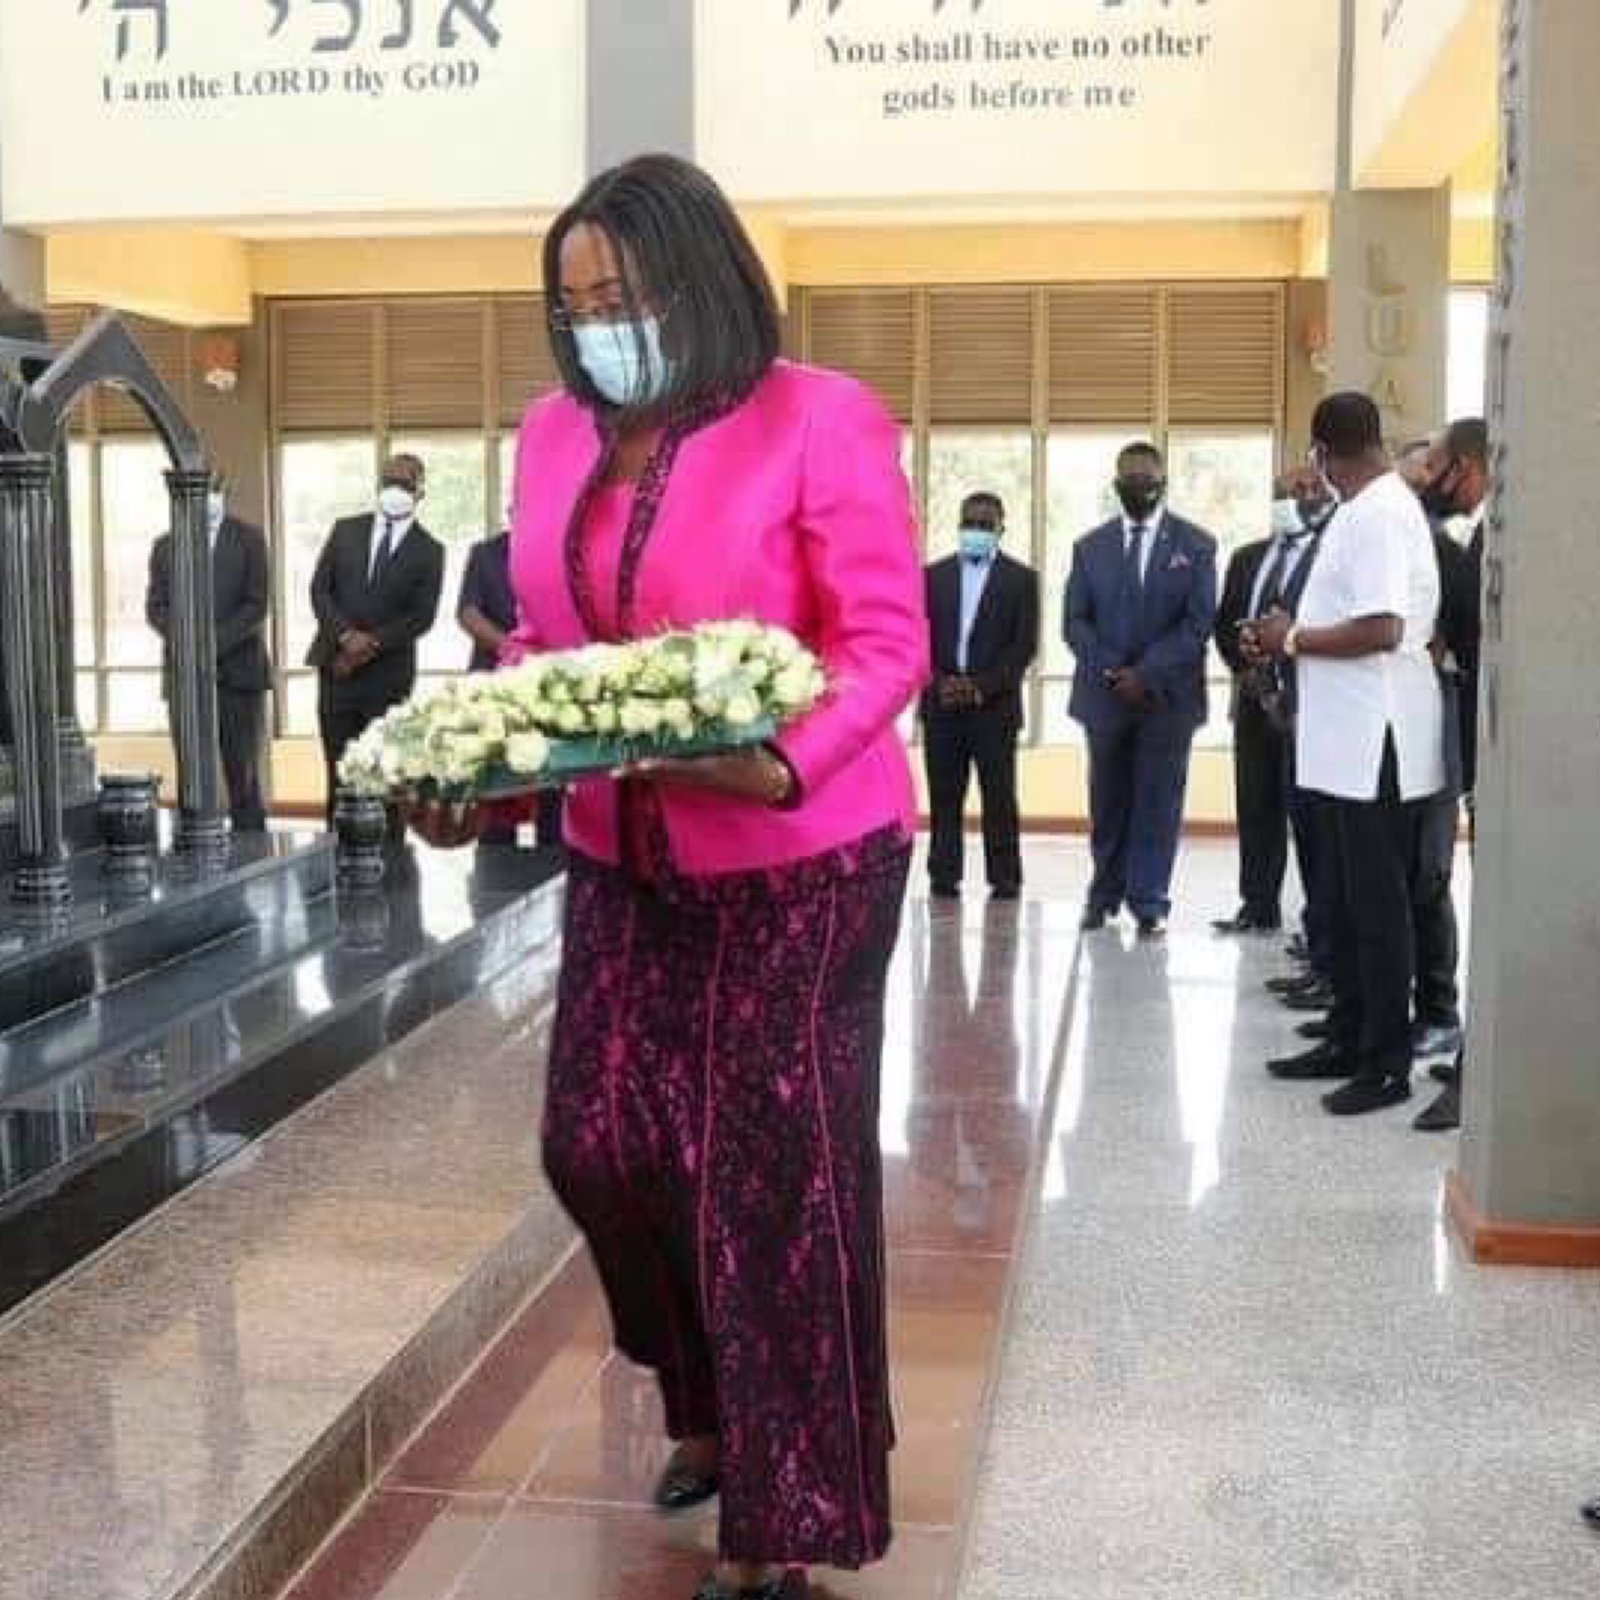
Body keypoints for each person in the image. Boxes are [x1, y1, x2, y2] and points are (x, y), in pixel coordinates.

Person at [411, 154, 927, 1600]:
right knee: (598, 1144)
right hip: (620, 854)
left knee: (769, 1184)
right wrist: (487, 768)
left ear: (699, 279)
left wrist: (782, 763)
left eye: (621, 296)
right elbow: (547, 647)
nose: (598, 327)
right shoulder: (551, 436)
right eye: (575, 305)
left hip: (802, 862)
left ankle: (786, 1519)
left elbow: (885, 642)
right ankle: (709, 1397)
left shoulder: (818, 418)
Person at [1251, 392, 1446, 1117]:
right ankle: (1348, 1034)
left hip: (1375, 741)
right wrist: (1289, 631)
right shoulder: (1364, 508)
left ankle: (1385, 1063)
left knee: (1378, 908)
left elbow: (1384, 627)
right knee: (1344, 898)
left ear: (1323, 454)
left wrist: (1293, 639)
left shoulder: (1379, 513)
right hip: (1345, 741)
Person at [1065, 441, 1218, 938]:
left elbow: (1198, 624)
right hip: (1105, 696)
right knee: (1107, 801)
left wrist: (1146, 674)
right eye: (1129, 479)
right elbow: (1075, 622)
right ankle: (1103, 895)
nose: (1139, 487)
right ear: (1116, 485)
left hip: (1168, 700)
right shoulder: (1090, 547)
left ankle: (1149, 901)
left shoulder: (1196, 545)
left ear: (1163, 482)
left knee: (1158, 802)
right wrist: (1115, 671)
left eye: (1147, 479)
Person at [1412, 416, 1490, 1132]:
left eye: (1434, 466)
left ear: (1468, 464)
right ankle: (1476, 1058)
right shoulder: (1483, 533)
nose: (1427, 480)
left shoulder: (1503, 537)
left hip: (1501, 751)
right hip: (1481, 741)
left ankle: (1477, 1075)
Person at [306, 453, 445, 825]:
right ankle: (336, 849)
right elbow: (320, 590)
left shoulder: (430, 550)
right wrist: (345, 635)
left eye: (404, 483)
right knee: (339, 772)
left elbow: (422, 616)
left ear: (420, 491)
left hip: (388, 677)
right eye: (388, 482)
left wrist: (370, 644)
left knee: (386, 775)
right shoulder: (345, 530)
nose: (394, 490)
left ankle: (392, 853)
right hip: (336, 670)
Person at [1212, 473, 1321, 934]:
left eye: (1304, 491)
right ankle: (1257, 905)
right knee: (1255, 803)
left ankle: (1319, 922)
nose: (1292, 500)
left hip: (1306, 703)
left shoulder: (1325, 556)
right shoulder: (1247, 557)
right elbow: (1224, 624)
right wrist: (1246, 664)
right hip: (1253, 698)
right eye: (1283, 493)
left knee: (1311, 813)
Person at [921, 491, 1039, 901]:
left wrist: (979, 687)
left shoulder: (1022, 580)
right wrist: (941, 682)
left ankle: (1005, 877)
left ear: (1001, 529)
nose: (976, 530)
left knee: (999, 795)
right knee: (944, 794)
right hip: (942, 704)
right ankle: (943, 874)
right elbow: (917, 638)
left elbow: (1023, 647)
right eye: (969, 522)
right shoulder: (931, 576)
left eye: (985, 524)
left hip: (994, 707)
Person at [145, 474, 272, 832]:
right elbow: (156, 607)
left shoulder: (250, 539)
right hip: (184, 674)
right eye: (203, 490)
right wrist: (187, 643)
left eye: (215, 490)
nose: (209, 497)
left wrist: (211, 645)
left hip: (239, 674)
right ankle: (194, 842)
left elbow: (257, 604)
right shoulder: (165, 545)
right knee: (191, 769)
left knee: (242, 770)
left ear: (223, 493)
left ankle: (252, 845)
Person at [457, 528, 562, 849]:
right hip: (492, 684)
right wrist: (510, 649)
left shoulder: (559, 549)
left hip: (551, 683)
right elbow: (467, 613)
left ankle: (553, 858)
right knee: (495, 781)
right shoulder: (484, 553)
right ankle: (494, 860)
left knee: (552, 781)